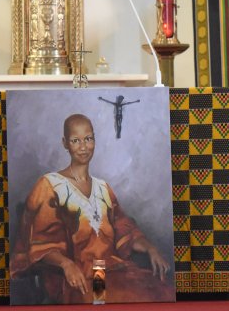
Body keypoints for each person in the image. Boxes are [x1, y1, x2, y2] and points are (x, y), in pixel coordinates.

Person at [10, 113, 172, 304]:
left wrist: (151, 248)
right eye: (75, 140)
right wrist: (66, 264)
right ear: (65, 143)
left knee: (161, 293)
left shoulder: (103, 188)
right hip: (76, 277)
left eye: (88, 139)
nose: (83, 146)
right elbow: (40, 244)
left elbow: (125, 229)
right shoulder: (49, 185)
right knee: (106, 300)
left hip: (109, 269)